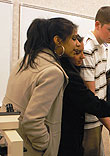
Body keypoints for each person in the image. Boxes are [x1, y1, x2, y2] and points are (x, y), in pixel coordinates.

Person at [1, 17, 80, 156]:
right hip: (31, 148)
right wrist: (44, 145)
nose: (77, 44)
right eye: (73, 38)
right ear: (58, 40)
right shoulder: (52, 72)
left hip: (12, 142)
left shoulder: (25, 60)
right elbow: (33, 121)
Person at [80, 6, 110, 156]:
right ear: (98, 24)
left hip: (99, 116)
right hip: (89, 119)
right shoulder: (87, 48)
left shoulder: (104, 46)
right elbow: (91, 97)